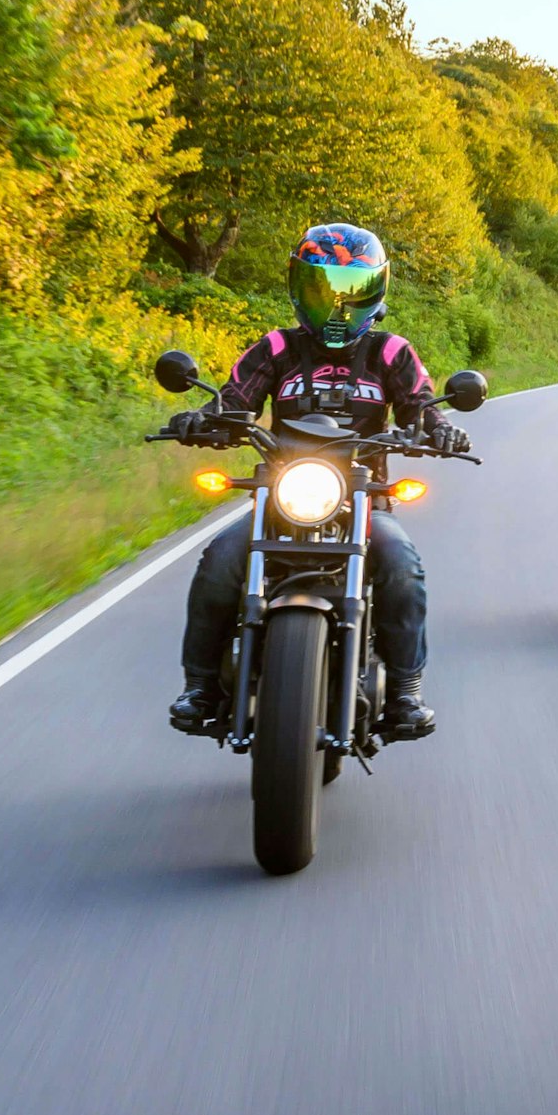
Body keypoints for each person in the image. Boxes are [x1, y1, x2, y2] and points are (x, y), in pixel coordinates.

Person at [166, 222, 446, 742]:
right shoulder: (276, 348)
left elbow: (421, 405)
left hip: (362, 505)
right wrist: (202, 420)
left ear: (376, 292)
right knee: (220, 561)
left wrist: (442, 428)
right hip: (281, 500)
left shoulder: (390, 353)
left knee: (402, 565)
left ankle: (407, 691)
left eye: (353, 292)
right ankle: (200, 686)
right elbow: (234, 400)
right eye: (324, 290)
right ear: (300, 287)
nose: (337, 307)